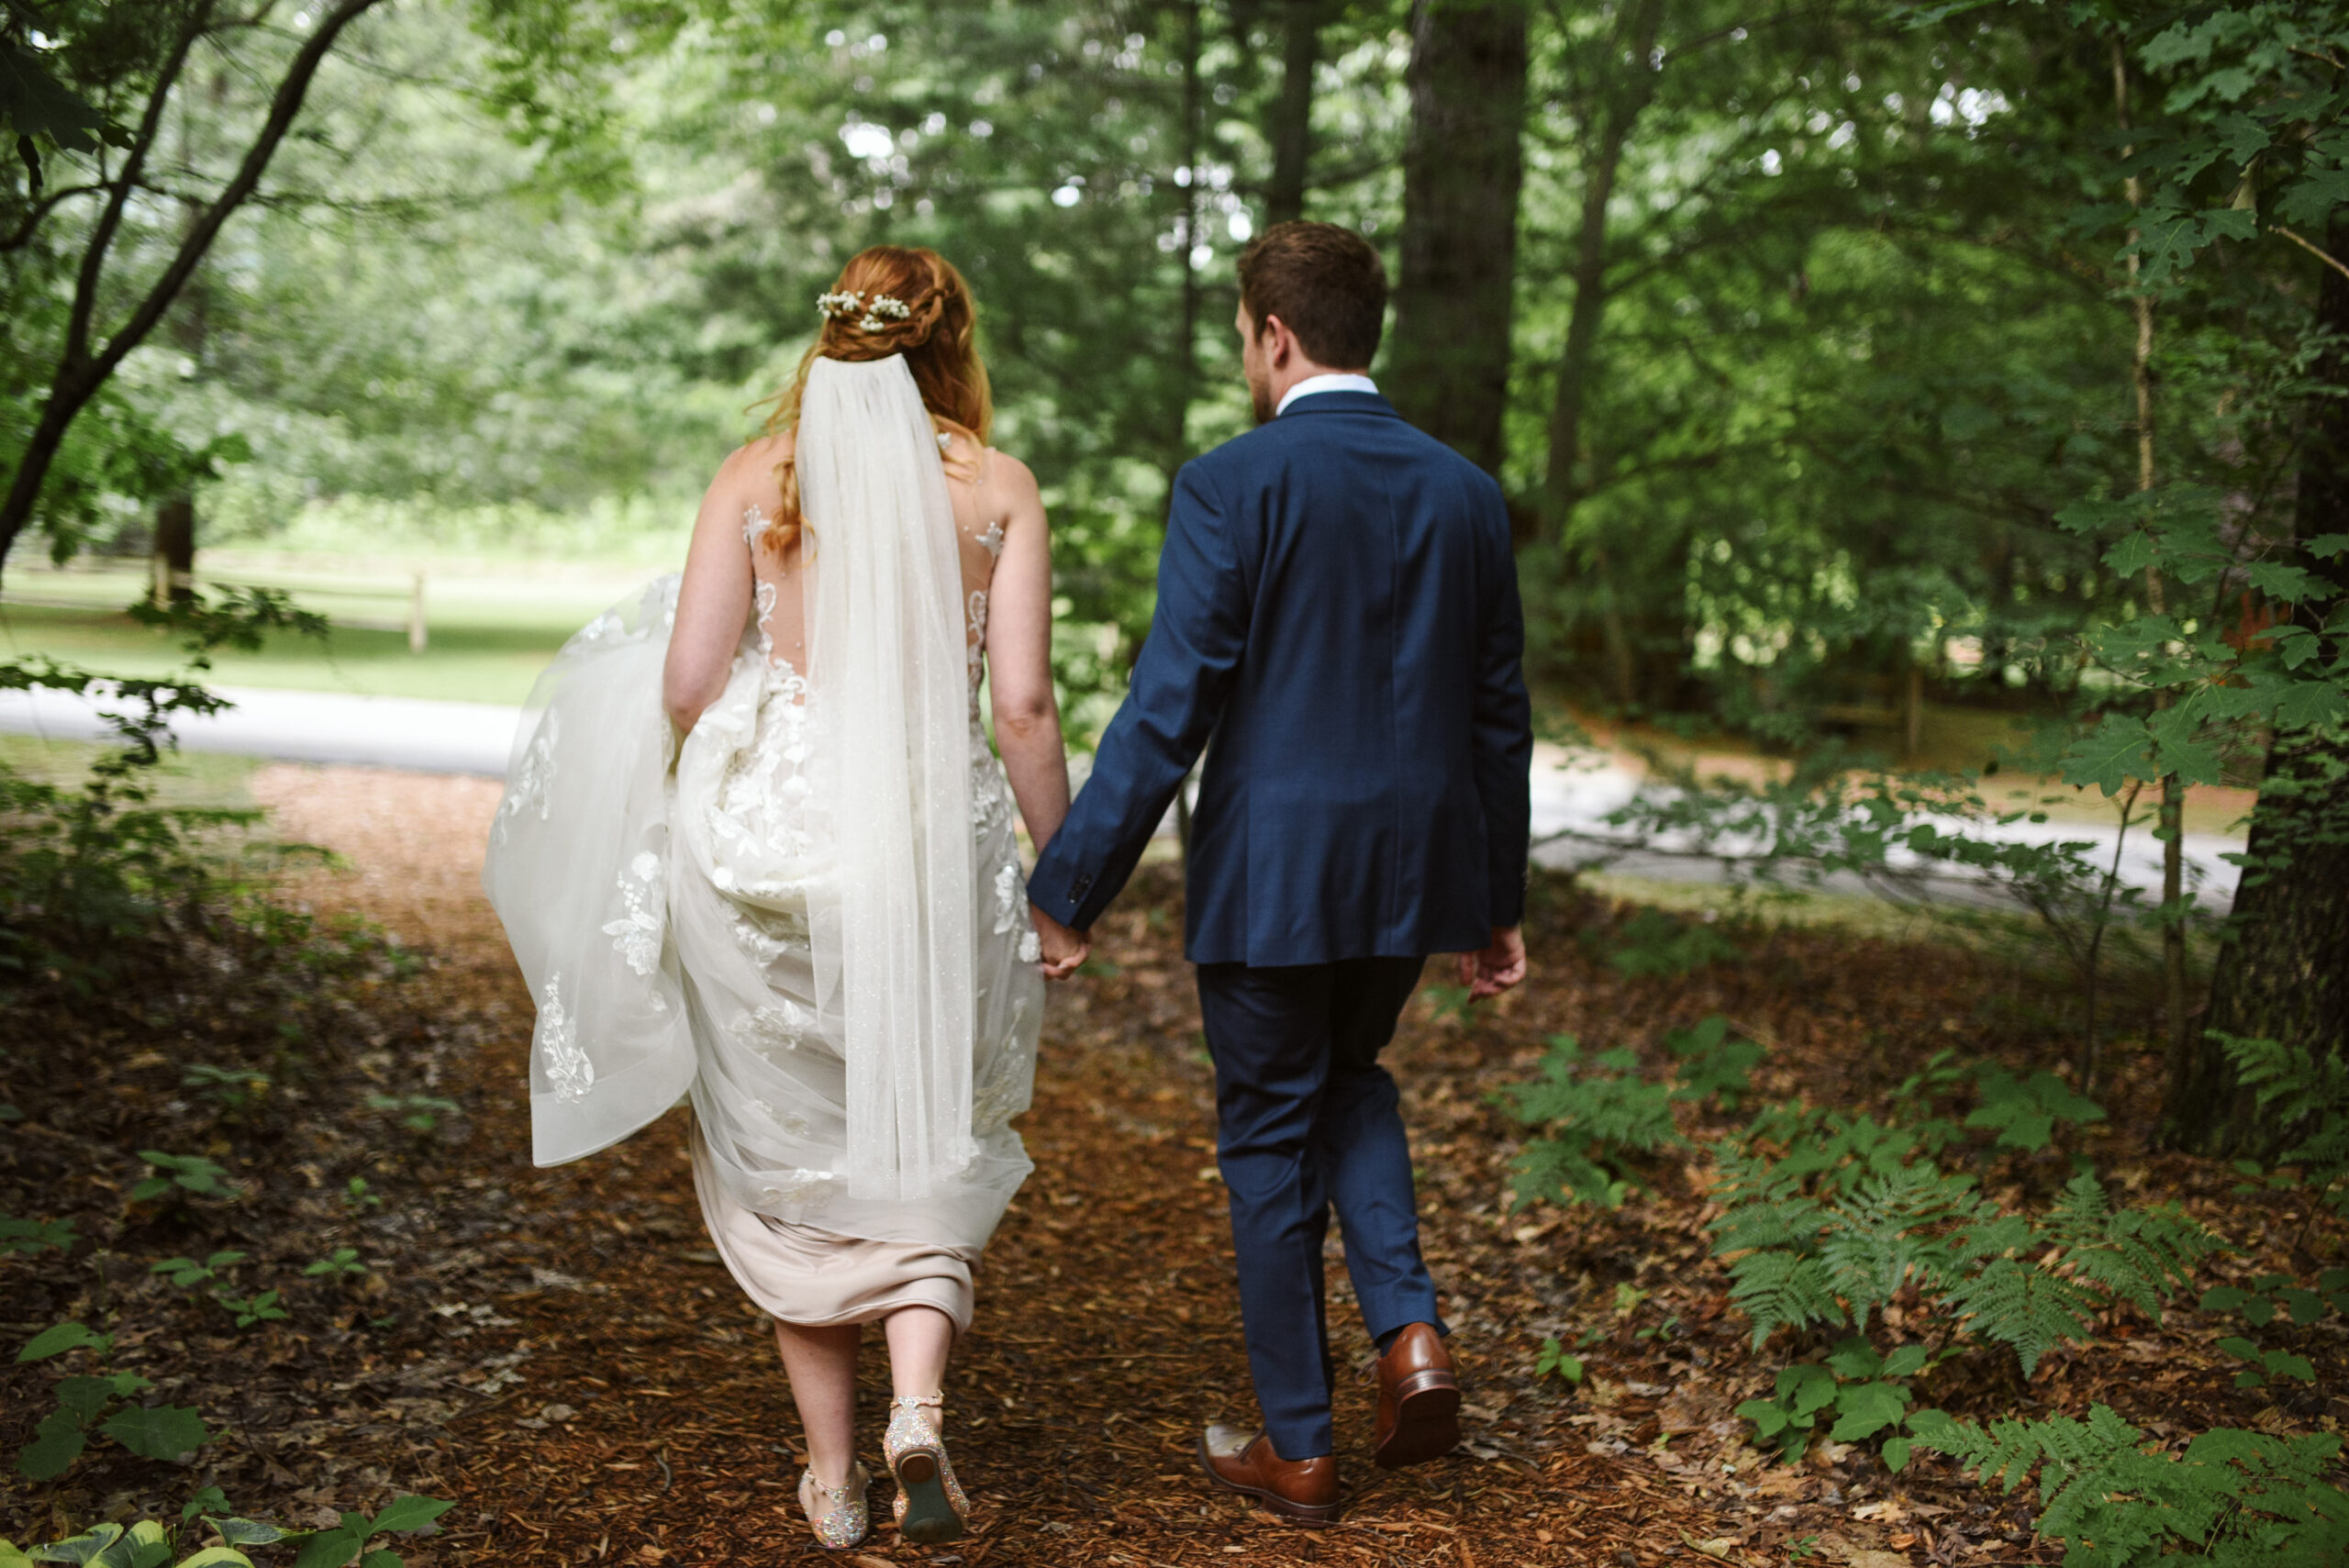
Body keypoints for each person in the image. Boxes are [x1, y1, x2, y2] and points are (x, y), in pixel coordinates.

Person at [481, 245, 1086, 1553]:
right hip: (933, 848)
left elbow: (691, 676)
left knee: (789, 1159)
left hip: (766, 852)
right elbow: (1025, 709)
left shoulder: (759, 480)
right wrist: (1068, 875)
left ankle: (833, 1480)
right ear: (952, 344)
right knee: (928, 1127)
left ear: (834, 336)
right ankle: (916, 1405)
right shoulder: (999, 493)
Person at [1026, 220, 1533, 1528]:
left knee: (1265, 1135)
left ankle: (1300, 1447)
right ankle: (1409, 1332)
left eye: (1246, 338)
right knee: (1350, 1077)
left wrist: (1070, 880)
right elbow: (1498, 713)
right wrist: (1496, 901)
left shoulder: (1230, 484)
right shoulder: (1466, 492)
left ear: (1275, 335)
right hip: (1413, 878)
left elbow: (1165, 706)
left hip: (1272, 879)